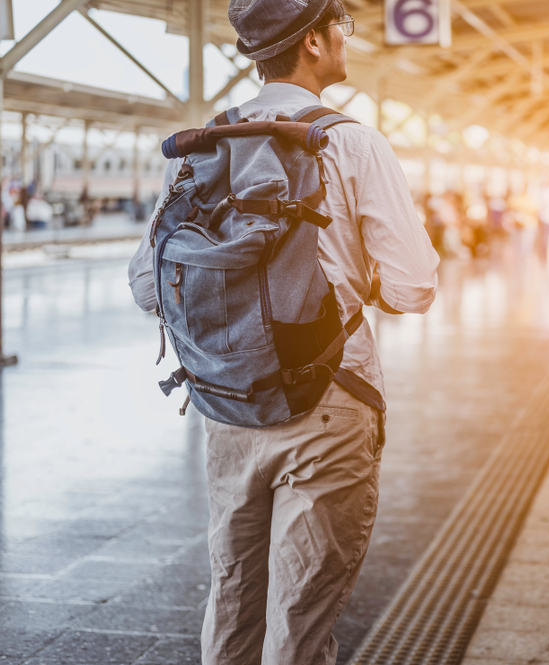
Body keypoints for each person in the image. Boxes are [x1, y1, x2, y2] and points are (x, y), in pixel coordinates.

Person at [126, 2, 440, 663]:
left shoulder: (201, 145)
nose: (345, 40)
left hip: (225, 404)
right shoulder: (352, 141)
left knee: (233, 601)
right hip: (329, 399)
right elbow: (414, 287)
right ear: (315, 42)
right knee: (298, 622)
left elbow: (146, 284)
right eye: (341, 29)